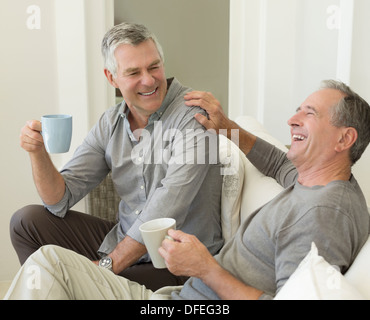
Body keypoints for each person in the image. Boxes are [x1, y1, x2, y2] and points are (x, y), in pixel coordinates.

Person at [5, 79, 370, 300]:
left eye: (309, 113)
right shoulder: (314, 179)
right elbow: (275, 162)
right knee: (41, 248)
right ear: (112, 78)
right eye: (297, 110)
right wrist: (226, 126)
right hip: (177, 296)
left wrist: (205, 268)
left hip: (183, 294)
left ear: (344, 138)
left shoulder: (324, 212)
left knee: (49, 263)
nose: (292, 119)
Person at [10, 22, 224, 291]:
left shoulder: (193, 116)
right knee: (26, 223)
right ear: (112, 78)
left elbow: (167, 207)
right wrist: (37, 152)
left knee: (74, 282)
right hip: (125, 244)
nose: (148, 80)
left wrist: (107, 267)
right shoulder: (111, 121)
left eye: (154, 67)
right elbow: (58, 200)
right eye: (134, 72)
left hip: (177, 266)